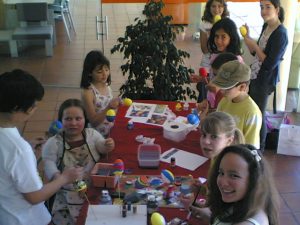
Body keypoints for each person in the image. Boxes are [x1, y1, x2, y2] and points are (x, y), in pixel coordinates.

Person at [0, 69, 83, 225]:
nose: (34, 110)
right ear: (18, 107)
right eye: (34, 106)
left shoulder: (16, 147)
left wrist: (28, 151)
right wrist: (65, 177)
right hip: (26, 219)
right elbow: (34, 196)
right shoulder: (18, 149)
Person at [42, 98, 115, 225]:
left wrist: (107, 145)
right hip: (66, 194)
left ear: (85, 119)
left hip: (92, 189)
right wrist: (57, 176)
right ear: (60, 121)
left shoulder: (92, 134)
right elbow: (49, 163)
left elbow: (101, 146)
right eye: (68, 119)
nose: (73, 123)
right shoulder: (54, 143)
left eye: (78, 118)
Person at [190, 144, 280, 225]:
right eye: (221, 173)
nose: (223, 182)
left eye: (234, 176)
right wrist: (209, 216)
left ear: (254, 181)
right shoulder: (244, 202)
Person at [243, 0, 288, 151]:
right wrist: (248, 38)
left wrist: (255, 45)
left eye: (268, 7)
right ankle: (249, 146)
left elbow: (269, 64)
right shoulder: (266, 26)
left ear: (277, 9)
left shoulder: (281, 34)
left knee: (258, 116)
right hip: (254, 76)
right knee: (252, 113)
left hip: (265, 81)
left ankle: (259, 152)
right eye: (261, 7)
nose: (263, 11)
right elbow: (256, 53)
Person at [212, 60, 262, 149]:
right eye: (221, 87)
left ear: (242, 87)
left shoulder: (252, 112)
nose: (222, 91)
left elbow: (251, 148)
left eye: (227, 88)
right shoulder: (224, 101)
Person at [195, 17, 243, 103]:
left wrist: (217, 89)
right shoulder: (214, 56)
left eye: (223, 37)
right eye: (216, 37)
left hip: (226, 104)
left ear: (231, 38)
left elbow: (236, 88)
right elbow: (214, 79)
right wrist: (202, 79)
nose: (219, 41)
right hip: (212, 101)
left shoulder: (236, 61)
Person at [80, 50, 120, 137]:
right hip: (96, 136)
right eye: (99, 71)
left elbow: (112, 111)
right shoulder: (88, 92)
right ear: (90, 73)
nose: (105, 74)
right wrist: (109, 106)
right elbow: (94, 122)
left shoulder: (107, 87)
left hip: (110, 131)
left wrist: (117, 105)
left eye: (106, 69)